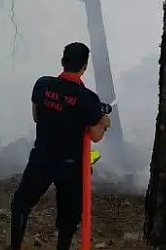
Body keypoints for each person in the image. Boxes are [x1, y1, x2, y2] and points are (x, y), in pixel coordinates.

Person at [9, 42, 111, 250]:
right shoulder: (88, 98)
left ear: (63, 61)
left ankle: (15, 246)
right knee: (69, 216)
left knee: (21, 204)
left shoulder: (42, 84)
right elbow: (96, 136)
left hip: (42, 157)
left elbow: (37, 116)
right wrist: (104, 121)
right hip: (71, 165)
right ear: (84, 66)